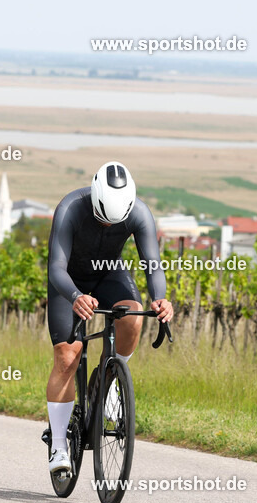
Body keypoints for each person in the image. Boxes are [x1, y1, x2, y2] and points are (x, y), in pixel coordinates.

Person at [45, 161, 173, 473]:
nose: (106, 227)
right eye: (102, 221)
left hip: (108, 272)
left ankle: (113, 380)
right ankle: (59, 445)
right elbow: (55, 268)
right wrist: (75, 296)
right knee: (67, 357)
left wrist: (160, 299)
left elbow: (152, 264)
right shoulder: (70, 208)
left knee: (134, 317)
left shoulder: (139, 213)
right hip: (69, 281)